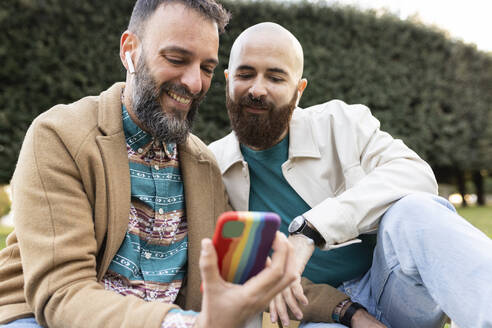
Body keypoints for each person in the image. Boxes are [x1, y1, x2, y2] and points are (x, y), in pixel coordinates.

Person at [0, 3, 298, 328]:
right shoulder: (59, 137)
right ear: (130, 51)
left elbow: (249, 279)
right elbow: (63, 294)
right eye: (176, 59)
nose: (195, 83)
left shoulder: (203, 166)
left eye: (207, 68)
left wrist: (345, 310)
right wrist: (187, 325)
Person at [209, 22, 492, 328]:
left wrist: (311, 230)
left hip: (392, 287)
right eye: (245, 74)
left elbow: (417, 175)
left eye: (276, 77)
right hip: (318, 314)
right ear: (228, 79)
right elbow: (241, 276)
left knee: (415, 210)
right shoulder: (211, 166)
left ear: (298, 90)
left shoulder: (342, 123)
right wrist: (347, 311)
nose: (257, 89)